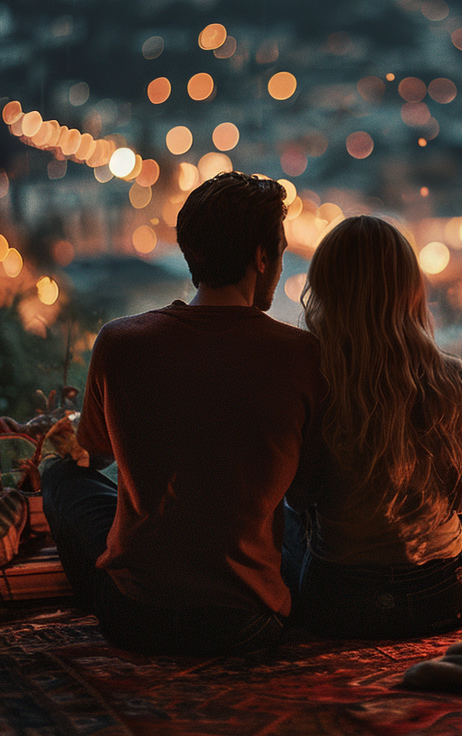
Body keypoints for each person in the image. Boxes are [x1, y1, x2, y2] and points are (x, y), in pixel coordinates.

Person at [42, 171, 325, 656]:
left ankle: (93, 597)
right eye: (278, 250)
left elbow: (93, 454)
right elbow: (312, 485)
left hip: (132, 619)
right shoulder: (301, 354)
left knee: (61, 478)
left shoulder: (120, 341)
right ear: (262, 257)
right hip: (248, 626)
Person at [288, 215, 462, 639]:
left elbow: (301, 496)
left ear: (324, 288)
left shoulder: (312, 375)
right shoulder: (450, 379)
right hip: (438, 596)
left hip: (333, 601)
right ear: (409, 289)